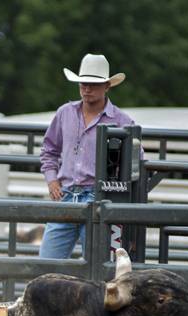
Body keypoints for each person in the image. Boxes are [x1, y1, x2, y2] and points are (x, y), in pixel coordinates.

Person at [39, 53, 135, 259]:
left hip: (98, 196)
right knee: (47, 261)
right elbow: (49, 150)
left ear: (107, 86)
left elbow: (134, 161)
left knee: (96, 266)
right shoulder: (65, 113)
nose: (87, 88)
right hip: (65, 194)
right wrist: (51, 180)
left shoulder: (122, 121)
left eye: (93, 84)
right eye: (83, 83)